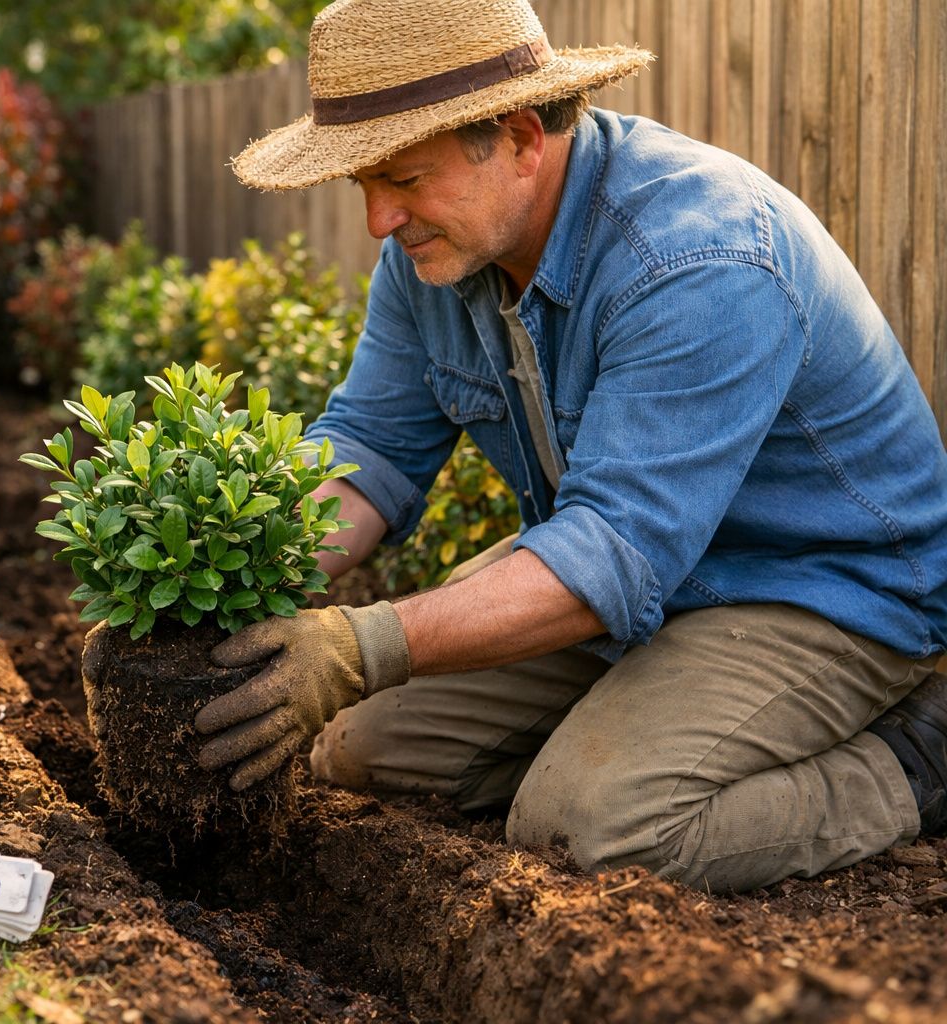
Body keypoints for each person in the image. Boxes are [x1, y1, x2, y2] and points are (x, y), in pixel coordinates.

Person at [193, 0, 947, 894]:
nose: (379, 220)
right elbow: (370, 449)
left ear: (519, 138)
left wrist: (357, 646)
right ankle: (645, 735)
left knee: (592, 828)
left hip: (818, 589)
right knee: (363, 751)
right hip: (634, 581)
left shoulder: (696, 258)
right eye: (363, 183)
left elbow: (610, 554)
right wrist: (217, 586)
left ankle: (913, 761)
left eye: (402, 178)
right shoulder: (438, 255)